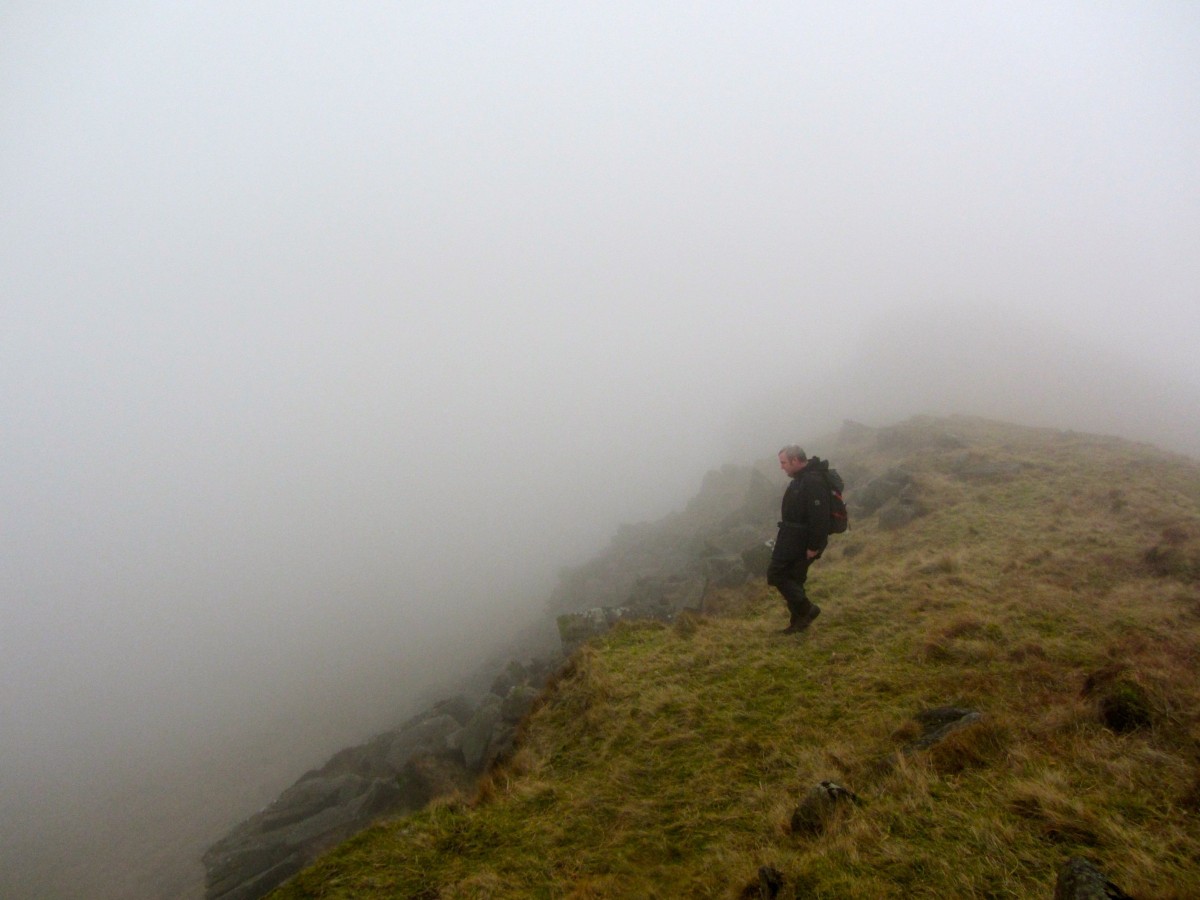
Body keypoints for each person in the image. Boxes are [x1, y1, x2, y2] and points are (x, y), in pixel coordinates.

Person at [768, 445, 831, 634]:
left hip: (801, 541)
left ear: (795, 461)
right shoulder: (801, 479)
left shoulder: (812, 481)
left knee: (776, 574)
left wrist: (813, 546)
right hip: (792, 537)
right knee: (794, 579)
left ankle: (807, 610)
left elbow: (820, 517)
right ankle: (798, 622)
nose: (781, 467)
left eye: (784, 462)